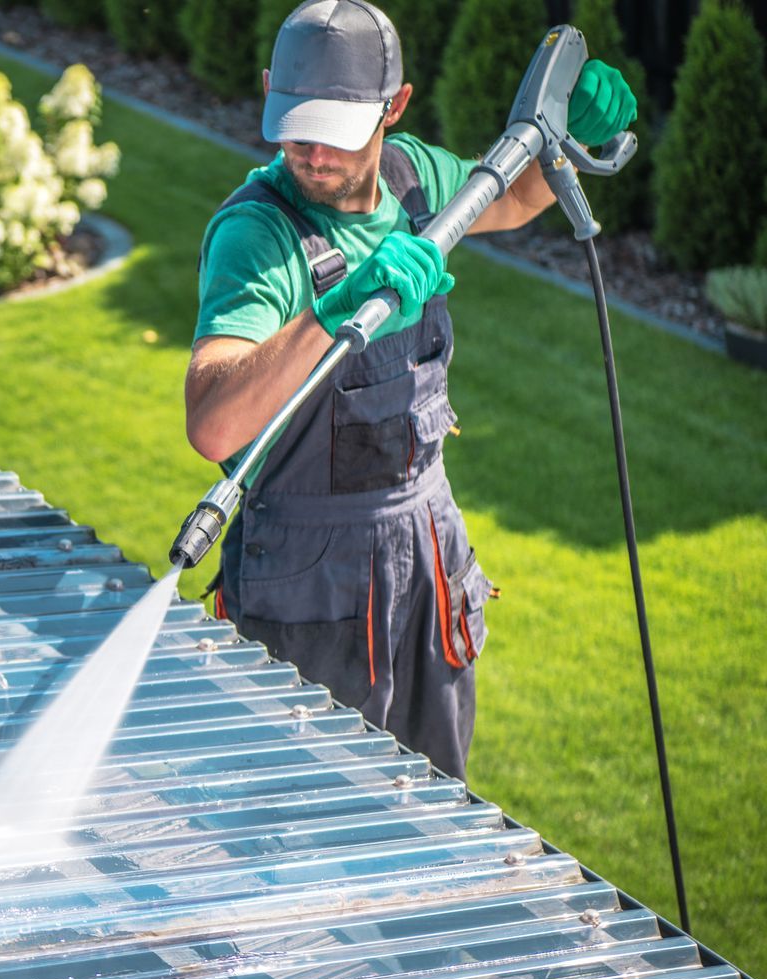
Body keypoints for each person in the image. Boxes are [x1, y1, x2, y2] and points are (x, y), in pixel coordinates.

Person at [186, 0, 637, 779]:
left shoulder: (414, 176)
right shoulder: (255, 238)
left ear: (395, 107)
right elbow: (215, 426)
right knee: (303, 820)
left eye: (337, 127)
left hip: (427, 557)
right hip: (308, 579)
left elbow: (522, 198)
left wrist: (577, 130)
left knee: (432, 809)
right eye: (295, 124)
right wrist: (329, 312)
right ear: (269, 90)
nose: (312, 151)